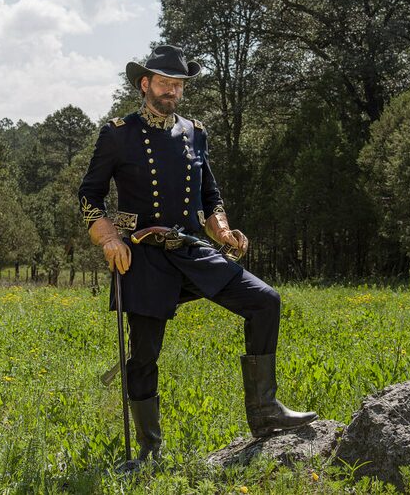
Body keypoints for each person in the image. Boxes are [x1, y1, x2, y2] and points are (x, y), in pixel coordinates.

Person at [78, 45, 316, 465]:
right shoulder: (119, 133)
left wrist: (221, 228)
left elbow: (211, 195)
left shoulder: (195, 132)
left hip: (191, 249)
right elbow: (89, 195)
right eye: (164, 82)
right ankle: (150, 452)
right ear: (145, 84)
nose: (172, 90)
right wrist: (108, 238)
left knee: (265, 301)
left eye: (178, 84)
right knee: (145, 354)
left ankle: (265, 412)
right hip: (143, 256)